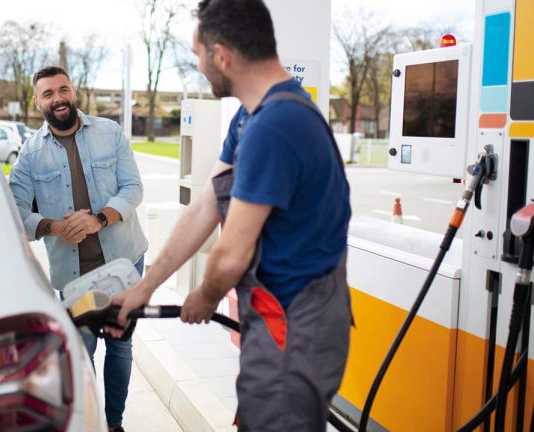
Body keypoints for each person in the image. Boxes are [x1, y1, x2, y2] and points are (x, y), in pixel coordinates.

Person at [109, 1, 352, 430]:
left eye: (198, 55)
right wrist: (143, 290)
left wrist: (203, 296)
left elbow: (231, 255)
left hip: (294, 326)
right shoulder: (251, 117)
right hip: (277, 318)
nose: (199, 65)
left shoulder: (277, 125)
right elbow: (207, 203)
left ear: (221, 55)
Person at [9, 65, 147, 432]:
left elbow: (133, 188)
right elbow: (14, 208)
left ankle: (113, 424)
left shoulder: (109, 132)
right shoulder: (30, 154)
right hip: (75, 275)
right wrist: (53, 227)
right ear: (37, 101)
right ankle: (86, 424)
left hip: (123, 262)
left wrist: (98, 219)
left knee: (119, 345)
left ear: (74, 92)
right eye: (48, 93)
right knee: (81, 352)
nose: (58, 98)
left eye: (63, 89)